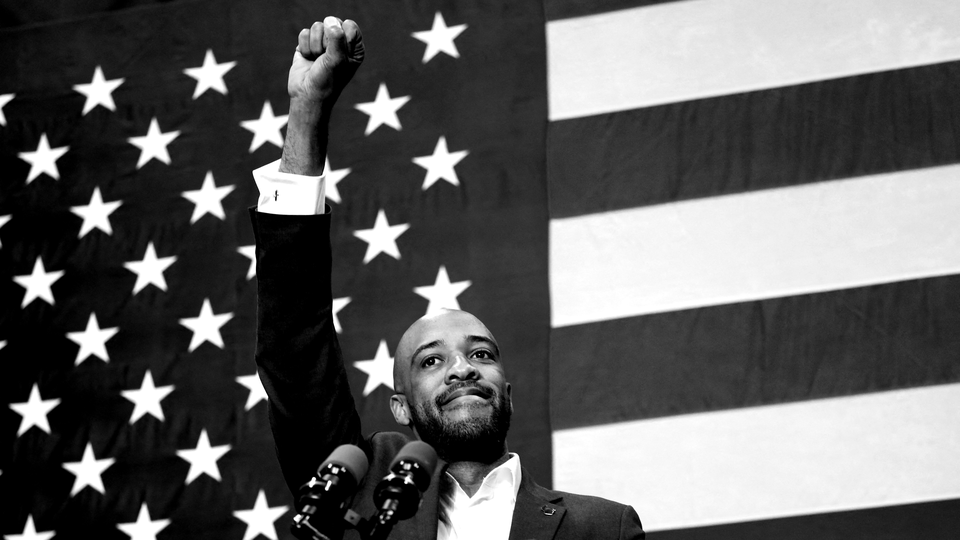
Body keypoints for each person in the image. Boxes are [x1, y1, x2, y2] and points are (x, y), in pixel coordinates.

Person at [249, 16, 645, 540]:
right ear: (401, 407)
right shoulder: (362, 486)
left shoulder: (602, 527)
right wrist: (307, 110)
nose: (463, 369)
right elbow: (295, 348)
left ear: (509, 391)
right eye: (431, 361)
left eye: (481, 354)